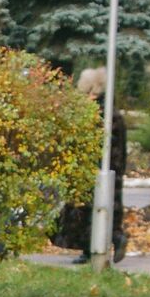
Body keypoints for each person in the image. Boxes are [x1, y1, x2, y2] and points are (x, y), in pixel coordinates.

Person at [55, 66, 127, 264]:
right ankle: (94, 246)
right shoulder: (111, 112)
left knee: (91, 208)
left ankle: (108, 241)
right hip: (110, 169)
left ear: (91, 91)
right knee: (98, 208)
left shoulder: (100, 114)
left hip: (97, 169)